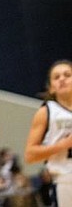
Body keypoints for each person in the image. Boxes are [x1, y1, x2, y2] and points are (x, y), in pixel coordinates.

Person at [25, 59, 72, 207]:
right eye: (56, 77)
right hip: (65, 181)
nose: (62, 79)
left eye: (67, 75)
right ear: (51, 88)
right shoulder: (47, 111)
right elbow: (30, 155)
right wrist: (63, 144)